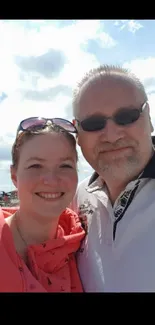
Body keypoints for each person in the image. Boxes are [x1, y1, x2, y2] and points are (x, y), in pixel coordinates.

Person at [71, 64, 155, 292]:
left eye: (127, 117)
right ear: (78, 134)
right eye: (94, 124)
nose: (111, 135)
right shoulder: (77, 196)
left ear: (149, 117)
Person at [0, 117, 85, 292]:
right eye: (36, 166)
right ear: (14, 176)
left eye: (65, 166)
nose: (51, 180)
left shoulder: (82, 246)